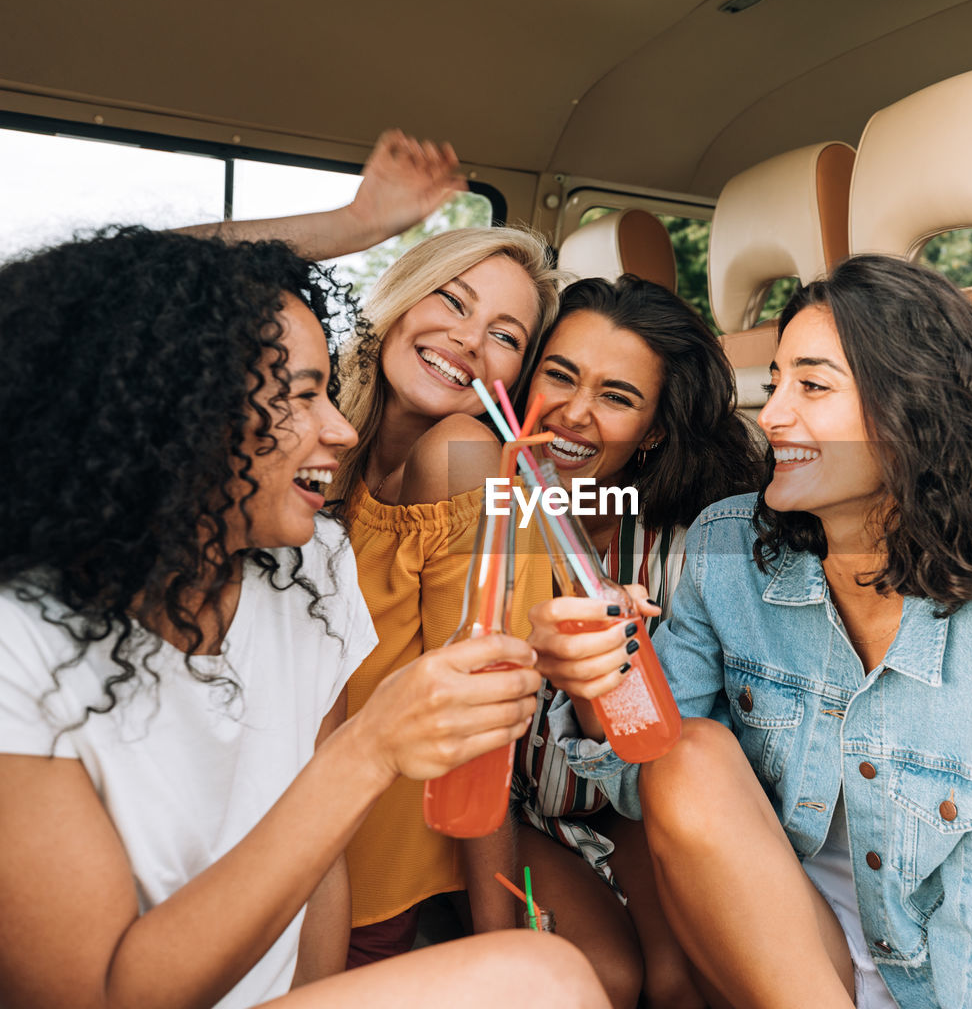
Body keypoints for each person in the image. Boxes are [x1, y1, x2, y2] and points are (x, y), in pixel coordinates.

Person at [0, 227, 616, 1009]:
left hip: (381, 879)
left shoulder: (316, 563)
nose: (338, 428)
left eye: (504, 335)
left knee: (545, 977)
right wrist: (368, 747)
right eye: (298, 394)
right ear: (179, 407)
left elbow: (487, 681)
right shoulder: (22, 647)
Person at [537, 255, 972, 1008]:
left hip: (939, 974)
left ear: (914, 412)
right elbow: (647, 786)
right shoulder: (727, 549)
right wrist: (612, 680)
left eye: (814, 385)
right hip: (773, 944)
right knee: (688, 754)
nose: (771, 416)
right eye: (775, 382)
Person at [190, 134, 571, 960]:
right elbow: (146, 284)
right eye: (454, 300)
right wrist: (358, 221)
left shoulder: (463, 453)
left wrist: (497, 946)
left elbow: (480, 732)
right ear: (401, 296)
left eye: (506, 334)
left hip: (352, 884)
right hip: (236, 847)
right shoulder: (310, 437)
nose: (470, 340)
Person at [483, 275, 763, 1009]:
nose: (574, 414)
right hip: (507, 807)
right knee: (609, 976)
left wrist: (616, 671)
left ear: (655, 431)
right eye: (560, 375)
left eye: (616, 397)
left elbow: (668, 749)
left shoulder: (688, 543)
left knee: (683, 982)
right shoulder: (484, 511)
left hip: (624, 800)